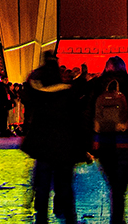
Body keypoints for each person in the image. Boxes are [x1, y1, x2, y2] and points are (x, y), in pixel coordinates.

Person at [85, 56, 128, 224]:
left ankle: (117, 217)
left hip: (103, 143)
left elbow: (86, 114)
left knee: (113, 183)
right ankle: (118, 218)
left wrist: (86, 144)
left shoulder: (97, 85)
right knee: (120, 185)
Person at [21, 52, 83, 224]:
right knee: (65, 186)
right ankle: (69, 217)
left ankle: (41, 219)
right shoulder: (68, 93)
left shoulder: (39, 94)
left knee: (42, 187)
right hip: (64, 147)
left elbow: (27, 94)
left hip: (44, 148)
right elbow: (78, 121)